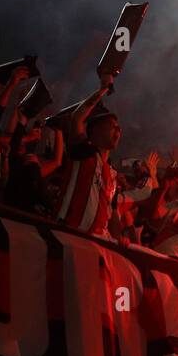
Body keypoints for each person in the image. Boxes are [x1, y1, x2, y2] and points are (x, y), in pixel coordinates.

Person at [54, 74, 120, 237]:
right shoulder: (83, 152)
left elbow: (112, 211)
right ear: (95, 129)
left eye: (119, 127)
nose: (118, 130)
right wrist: (103, 89)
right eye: (112, 126)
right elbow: (77, 118)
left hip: (97, 241)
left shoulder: (113, 174)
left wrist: (120, 238)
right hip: (68, 234)